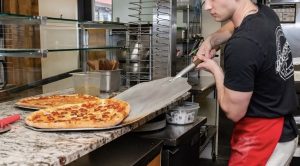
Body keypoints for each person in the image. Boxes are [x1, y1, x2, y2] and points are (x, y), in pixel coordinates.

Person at [195, 0, 299, 165]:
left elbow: (233, 111)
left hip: (264, 137)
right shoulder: (264, 13)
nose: (207, 6)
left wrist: (215, 69)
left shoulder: (242, 45)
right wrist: (211, 40)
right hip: (282, 128)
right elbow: (231, 27)